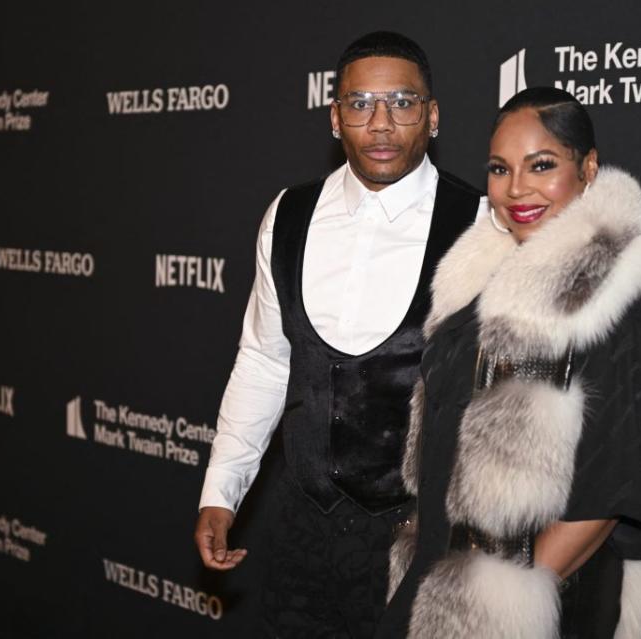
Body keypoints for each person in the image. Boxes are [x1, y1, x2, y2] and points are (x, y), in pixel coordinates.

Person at [193, 31, 486, 637]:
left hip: (422, 543)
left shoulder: (479, 222)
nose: (380, 123)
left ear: (432, 117)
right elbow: (265, 361)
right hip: (303, 534)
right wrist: (222, 489)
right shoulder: (288, 214)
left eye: (402, 103)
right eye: (360, 104)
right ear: (334, 118)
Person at [378, 87, 641, 638]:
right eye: (500, 169)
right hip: (437, 581)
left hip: (536, 609)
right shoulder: (481, 282)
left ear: (588, 168)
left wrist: (506, 613)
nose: (516, 188)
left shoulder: (621, 300)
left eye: (541, 165)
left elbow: (609, 499)